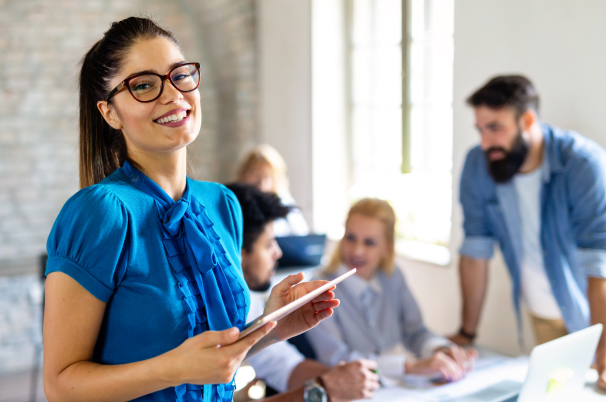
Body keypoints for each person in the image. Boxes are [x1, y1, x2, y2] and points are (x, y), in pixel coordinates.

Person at [42, 17, 339, 402]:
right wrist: (173, 367)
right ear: (110, 113)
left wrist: (275, 325)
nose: (173, 94)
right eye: (144, 85)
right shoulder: (100, 212)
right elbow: (60, 386)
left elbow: (213, 361)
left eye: (180, 75)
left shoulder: (224, 204)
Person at [449, 75, 606, 389]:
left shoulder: (582, 164)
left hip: (594, 315)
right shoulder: (479, 166)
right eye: (480, 129)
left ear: (528, 119)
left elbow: (599, 264)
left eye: (495, 128)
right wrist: (466, 334)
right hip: (541, 317)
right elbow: (475, 251)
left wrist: (603, 354)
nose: (485, 143)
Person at [226, 183, 379, 401]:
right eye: (269, 244)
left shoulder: (248, 301)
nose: (278, 253)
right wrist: (323, 390)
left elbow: (282, 364)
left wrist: (348, 379)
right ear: (239, 253)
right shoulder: (200, 320)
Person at [306, 198, 477, 382]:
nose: (357, 251)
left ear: (387, 247)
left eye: (369, 243)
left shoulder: (392, 277)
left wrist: (440, 349)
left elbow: (415, 331)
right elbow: (337, 360)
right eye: (351, 238)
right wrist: (408, 367)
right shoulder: (320, 290)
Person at [236, 144, 309, 237]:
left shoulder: (284, 202)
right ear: (243, 173)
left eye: (267, 177)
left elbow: (302, 235)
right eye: (256, 175)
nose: (261, 183)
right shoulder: (234, 201)